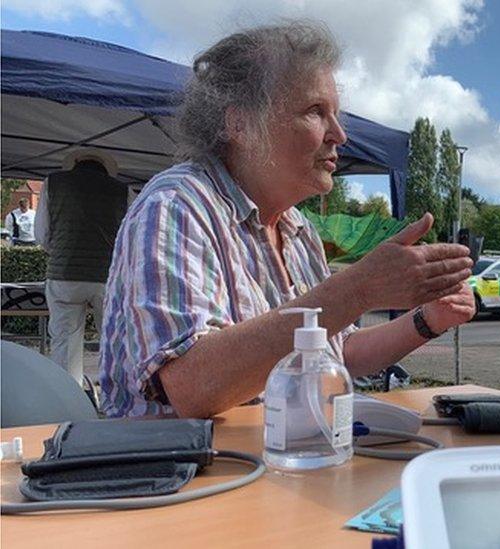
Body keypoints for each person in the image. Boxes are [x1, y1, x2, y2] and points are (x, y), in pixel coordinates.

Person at [99, 22, 476, 419]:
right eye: (316, 112)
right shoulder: (175, 207)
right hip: (179, 475)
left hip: (278, 462)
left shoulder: (298, 230)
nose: (340, 135)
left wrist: (429, 320)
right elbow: (192, 387)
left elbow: (338, 353)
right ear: (240, 124)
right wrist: (358, 289)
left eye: (336, 114)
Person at [34, 148, 127, 385]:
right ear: (106, 168)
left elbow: (42, 234)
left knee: (65, 343)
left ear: (75, 163)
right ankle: (115, 395)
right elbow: (131, 238)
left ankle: (69, 400)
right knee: (114, 340)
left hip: (63, 274)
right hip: (107, 277)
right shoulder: (123, 191)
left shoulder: (53, 183)